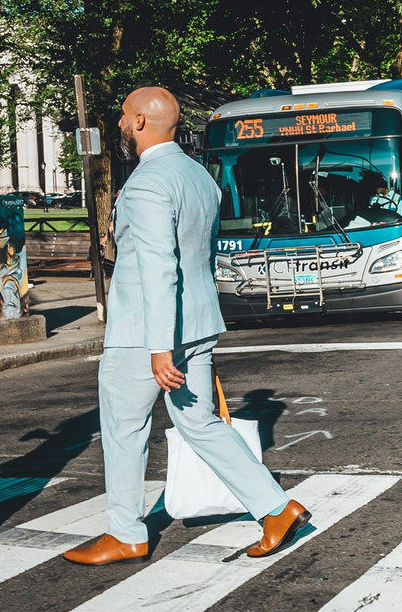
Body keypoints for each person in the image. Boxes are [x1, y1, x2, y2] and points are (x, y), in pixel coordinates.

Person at [64, 86, 310, 565]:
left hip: (146, 332)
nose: (117, 123)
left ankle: (126, 532)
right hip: (197, 322)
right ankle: (277, 508)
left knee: (123, 429)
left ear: (139, 122)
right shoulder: (199, 177)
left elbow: (158, 267)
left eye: (122, 115)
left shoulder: (148, 183)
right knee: (199, 422)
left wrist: (160, 347)